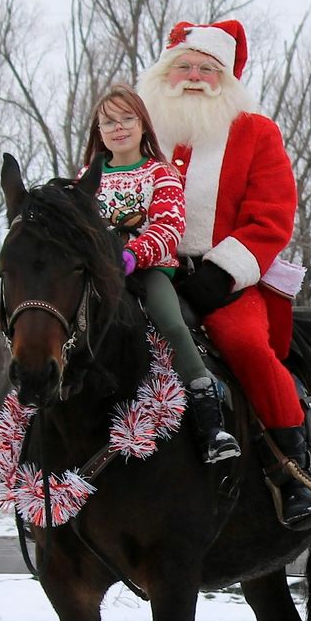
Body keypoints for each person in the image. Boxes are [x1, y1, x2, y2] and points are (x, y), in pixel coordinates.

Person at [136, 20, 311, 529]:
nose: (194, 77)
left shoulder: (256, 132)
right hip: (140, 270)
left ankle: (292, 467)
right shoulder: (139, 127)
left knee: (243, 344)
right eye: (185, 66)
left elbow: (271, 217)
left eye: (207, 69)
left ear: (227, 78)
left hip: (226, 278)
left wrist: (220, 274)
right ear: (165, 72)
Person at [80, 84, 239, 465]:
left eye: (127, 119)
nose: (119, 128)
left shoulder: (160, 174)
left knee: (170, 320)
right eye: (109, 122)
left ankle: (210, 418)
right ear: (98, 132)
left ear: (142, 124)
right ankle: (23, 426)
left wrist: (131, 256)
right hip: (97, 275)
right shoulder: (88, 175)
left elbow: (168, 226)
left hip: (146, 271)